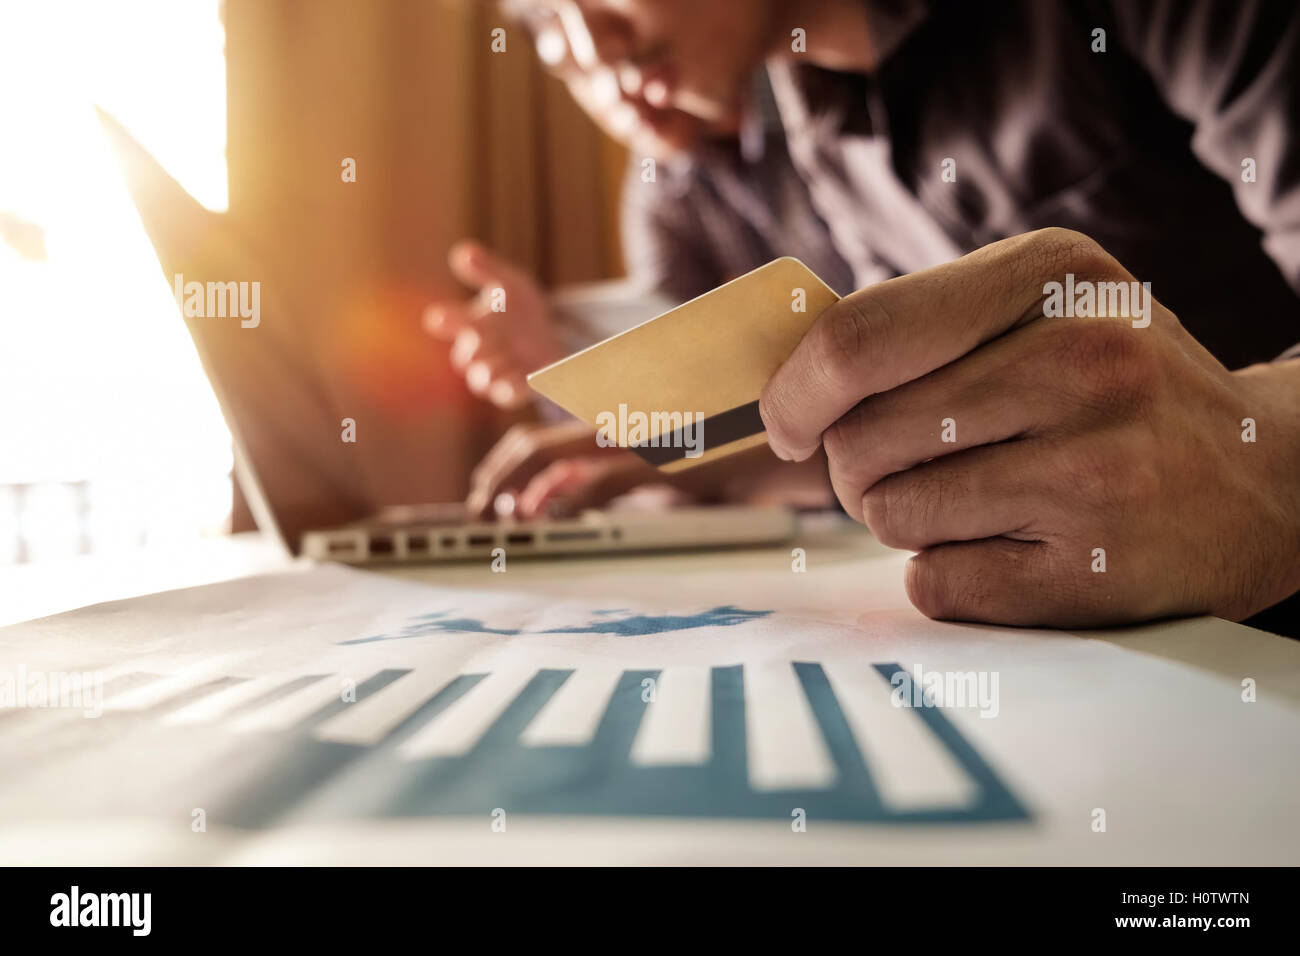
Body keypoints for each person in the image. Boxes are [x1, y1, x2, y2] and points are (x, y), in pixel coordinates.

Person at [471, 0, 1300, 633]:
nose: (587, 45)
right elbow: (912, 420)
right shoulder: (811, 116)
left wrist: (1263, 462)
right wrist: (686, 449)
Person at [424, 11, 852, 519]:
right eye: (577, 71)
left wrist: (647, 456)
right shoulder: (660, 184)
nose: (617, 90)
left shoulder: (818, 89)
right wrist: (559, 355)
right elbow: (693, 392)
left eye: (622, 49)